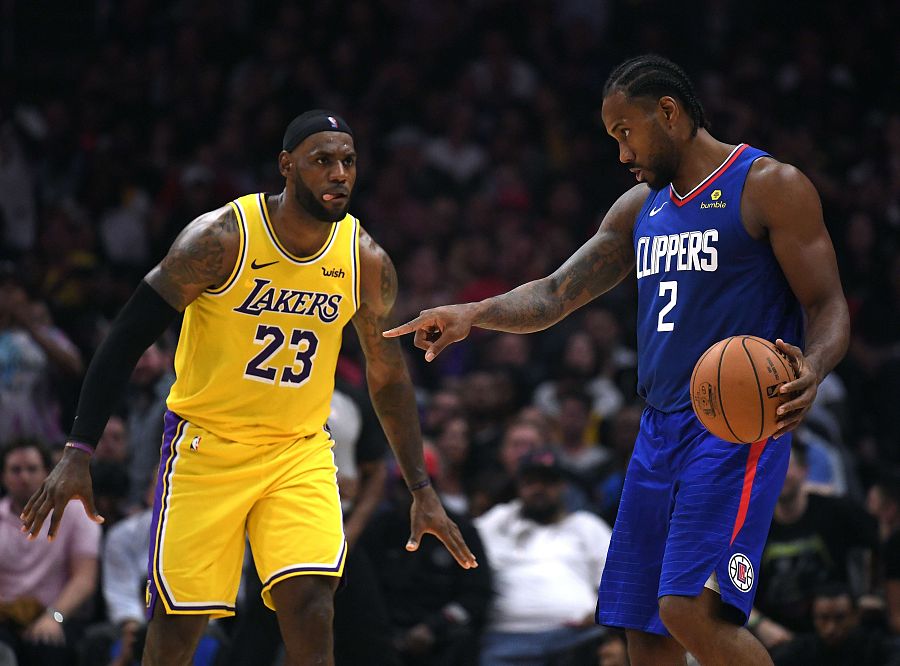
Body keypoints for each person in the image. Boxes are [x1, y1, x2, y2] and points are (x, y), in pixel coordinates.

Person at [385, 54, 850, 666]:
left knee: (688, 609)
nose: (623, 153)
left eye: (626, 132)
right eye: (613, 138)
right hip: (657, 430)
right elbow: (555, 293)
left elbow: (828, 304)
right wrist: (474, 313)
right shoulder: (639, 209)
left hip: (736, 427)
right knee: (642, 628)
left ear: (669, 113)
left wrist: (813, 366)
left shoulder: (769, 185)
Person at [20, 109, 477, 666]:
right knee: (179, 626)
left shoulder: (364, 259)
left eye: (349, 161)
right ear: (286, 166)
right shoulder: (220, 240)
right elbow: (125, 339)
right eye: (322, 160)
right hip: (207, 445)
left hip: (297, 450)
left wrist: (421, 488)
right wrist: (78, 449)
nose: (339, 174)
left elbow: (388, 376)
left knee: (312, 599)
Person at [475, 448, 612, 665]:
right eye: (530, 482)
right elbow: (461, 545)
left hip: (576, 638)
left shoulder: (586, 525)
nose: (538, 489)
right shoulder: (498, 521)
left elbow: (618, 582)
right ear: (519, 487)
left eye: (547, 482)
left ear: (562, 486)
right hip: (507, 639)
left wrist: (600, 614)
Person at [0, 440, 101, 666]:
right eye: (16, 470)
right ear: (3, 477)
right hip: (5, 617)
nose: (24, 477)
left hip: (58, 614)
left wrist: (54, 616)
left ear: (48, 473)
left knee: (48, 647)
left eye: (32, 469)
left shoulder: (77, 513)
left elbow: (84, 579)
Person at [769, 583, 900, 666]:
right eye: (823, 618)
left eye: (840, 618)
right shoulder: (800, 651)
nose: (831, 627)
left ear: (855, 616)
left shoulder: (875, 647)